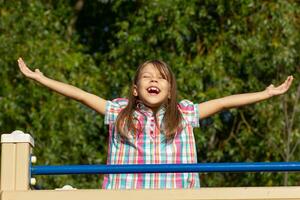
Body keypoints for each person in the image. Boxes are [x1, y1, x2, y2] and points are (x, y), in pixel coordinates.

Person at [18, 57, 294, 189]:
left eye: (161, 78)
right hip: (127, 194)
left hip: (175, 193)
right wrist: (42, 79)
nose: (153, 80)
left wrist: (266, 93)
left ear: (171, 90)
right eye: (147, 77)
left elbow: (224, 102)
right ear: (135, 89)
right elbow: (80, 95)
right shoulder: (118, 112)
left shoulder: (184, 114)